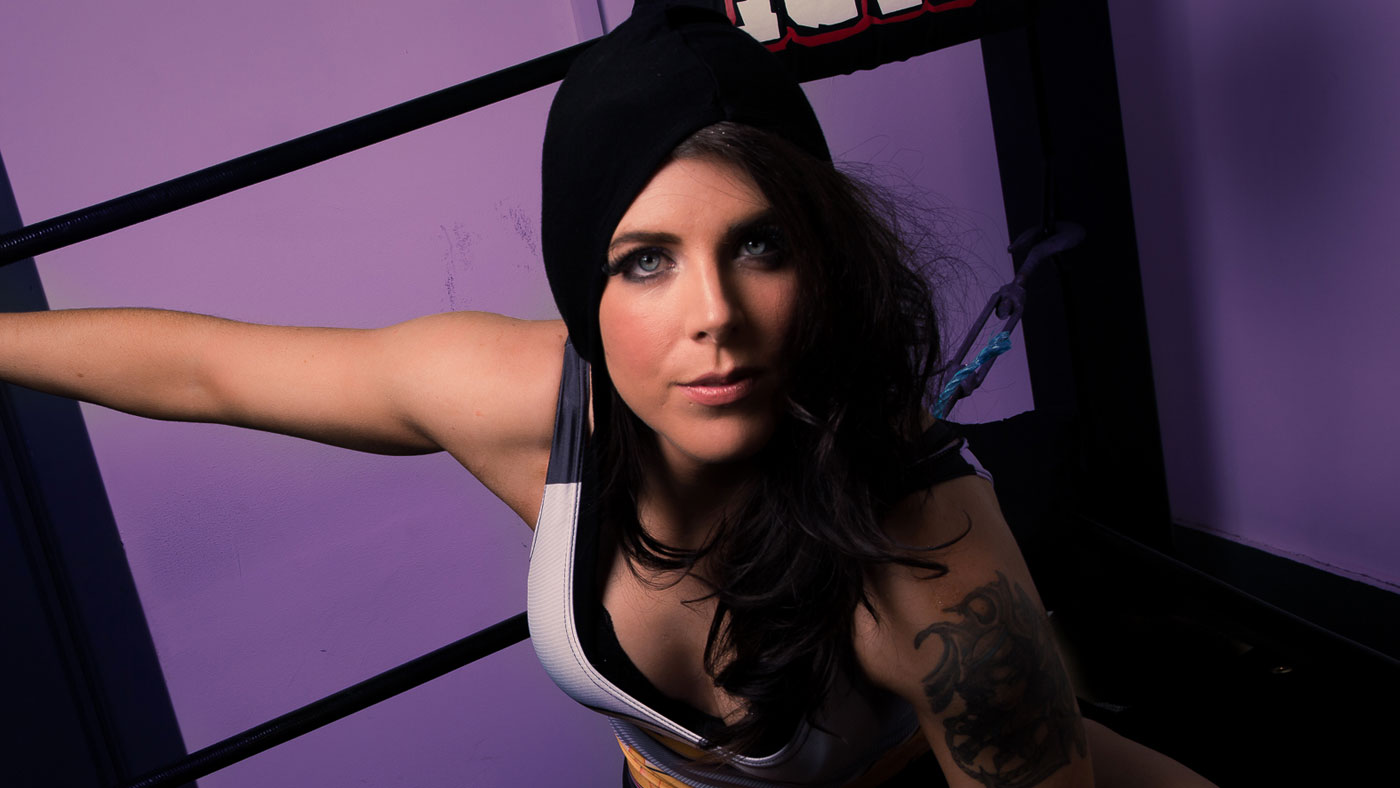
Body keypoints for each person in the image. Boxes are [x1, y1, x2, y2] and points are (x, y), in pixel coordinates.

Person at [0, 3, 1216, 787]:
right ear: (582, 287)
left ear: (823, 260)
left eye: (758, 244)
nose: (712, 315)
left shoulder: (926, 561)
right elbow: (204, 368)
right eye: (645, 260)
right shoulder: (521, 398)